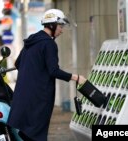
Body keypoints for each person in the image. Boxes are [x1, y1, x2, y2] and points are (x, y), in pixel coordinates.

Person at [7, 9, 87, 141]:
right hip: (39, 98)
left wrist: (33, 72)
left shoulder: (31, 40)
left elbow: (18, 63)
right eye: (60, 26)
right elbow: (53, 71)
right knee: (36, 135)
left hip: (23, 96)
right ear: (52, 25)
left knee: (29, 134)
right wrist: (77, 78)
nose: (62, 30)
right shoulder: (48, 44)